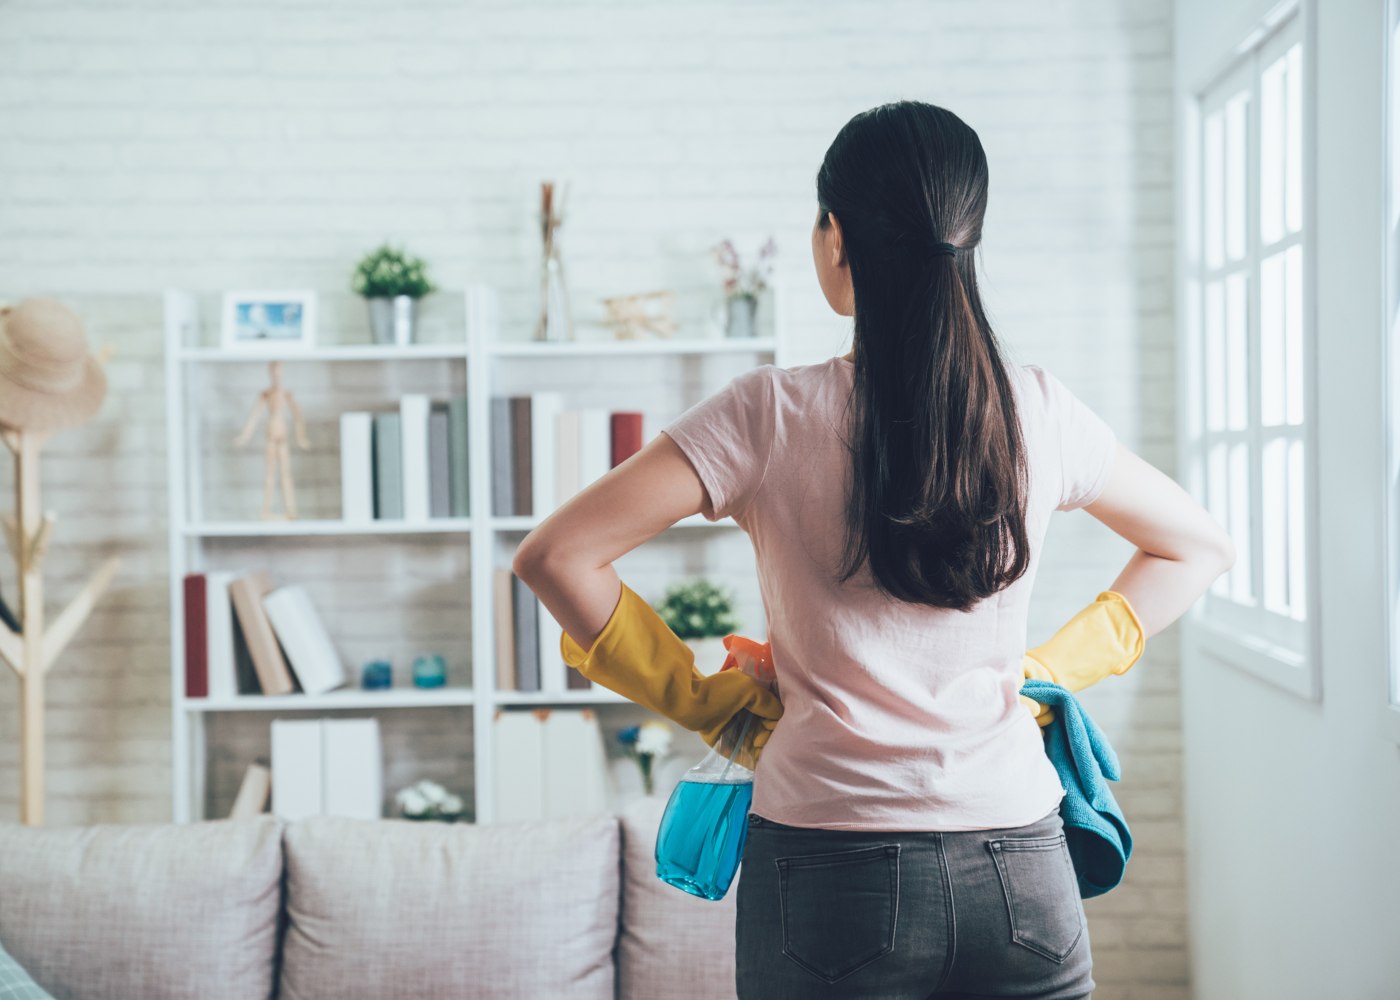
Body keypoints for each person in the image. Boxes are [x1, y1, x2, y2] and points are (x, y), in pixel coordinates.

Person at [514, 100, 1234, 1000]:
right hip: (1022, 868)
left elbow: (556, 556)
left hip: (828, 865)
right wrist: (1049, 669)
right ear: (967, 241)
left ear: (834, 238)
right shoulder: (1038, 408)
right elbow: (1195, 547)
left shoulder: (765, 415)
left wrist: (703, 702)